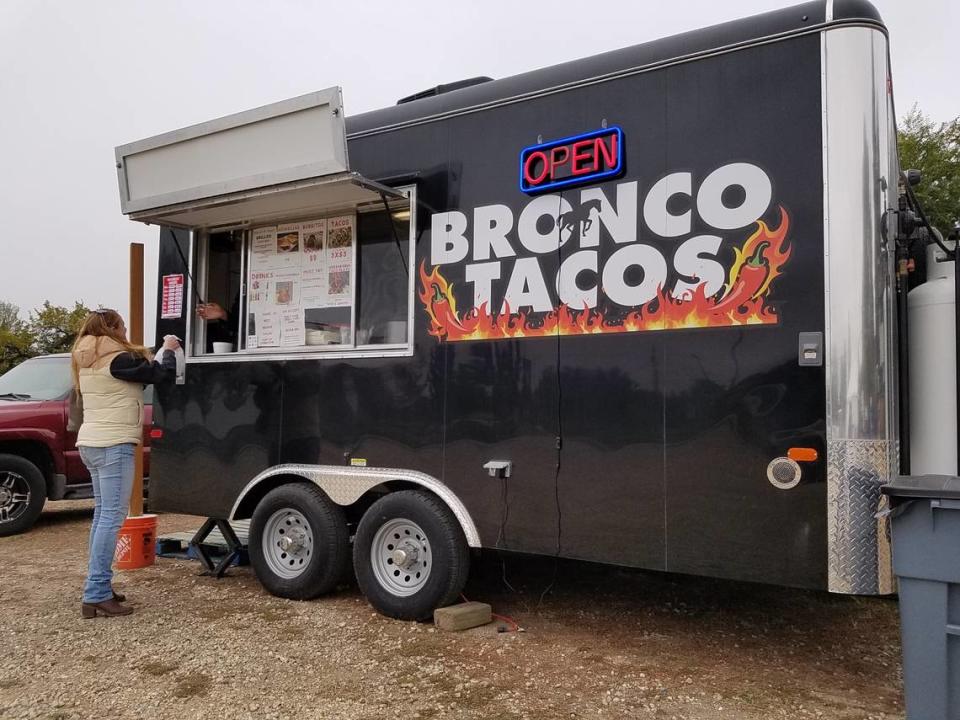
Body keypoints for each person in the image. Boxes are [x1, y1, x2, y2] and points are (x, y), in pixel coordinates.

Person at [69, 308, 179, 618]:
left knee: (102, 516)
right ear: (113, 328)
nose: (125, 332)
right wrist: (168, 350)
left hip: (91, 442)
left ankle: (97, 586)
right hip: (113, 444)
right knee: (111, 518)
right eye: (123, 326)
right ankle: (97, 592)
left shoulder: (86, 358)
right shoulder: (119, 359)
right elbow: (160, 375)